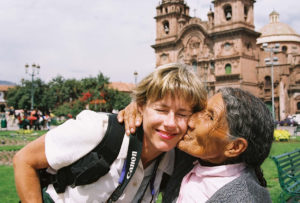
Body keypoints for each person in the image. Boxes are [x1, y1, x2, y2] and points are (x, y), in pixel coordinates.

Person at [13, 64, 206, 203]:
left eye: (182, 114)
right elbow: (24, 160)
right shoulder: (101, 129)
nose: (170, 123)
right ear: (141, 107)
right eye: (161, 110)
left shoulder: (175, 158)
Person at [118, 87, 274, 202]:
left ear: (234, 147)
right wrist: (141, 110)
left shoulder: (242, 198)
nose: (191, 121)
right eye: (201, 110)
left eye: (210, 117)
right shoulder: (191, 159)